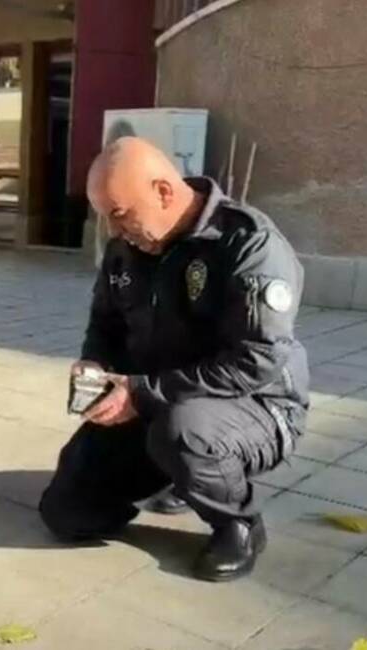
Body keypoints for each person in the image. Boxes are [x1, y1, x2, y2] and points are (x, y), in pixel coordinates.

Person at [38, 136, 310, 582]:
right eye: (105, 217)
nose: (112, 230)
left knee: (183, 432)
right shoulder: (126, 249)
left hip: (255, 407)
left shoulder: (248, 246)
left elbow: (256, 360)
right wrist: (95, 366)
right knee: (66, 514)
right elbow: (105, 324)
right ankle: (174, 475)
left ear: (163, 191)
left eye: (120, 214)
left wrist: (143, 395)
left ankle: (237, 523)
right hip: (155, 398)